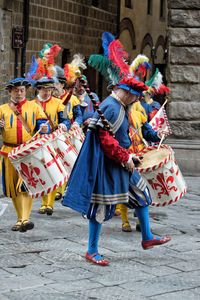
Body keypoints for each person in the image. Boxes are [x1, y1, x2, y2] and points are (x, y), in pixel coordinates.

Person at [62, 77, 171, 266]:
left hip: (121, 161)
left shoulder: (121, 106)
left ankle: (147, 237)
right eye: (135, 97)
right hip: (105, 164)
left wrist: (128, 156)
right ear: (128, 93)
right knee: (100, 208)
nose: (137, 101)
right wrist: (126, 158)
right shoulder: (111, 107)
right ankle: (92, 251)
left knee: (142, 194)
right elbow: (106, 141)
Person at [0, 77, 49, 232]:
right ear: (10, 92)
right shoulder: (2, 109)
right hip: (8, 152)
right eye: (16, 90)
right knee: (12, 188)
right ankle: (19, 218)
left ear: (26, 91)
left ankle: (25, 219)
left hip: (28, 152)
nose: (19, 93)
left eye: (22, 90)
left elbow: (44, 123)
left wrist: (44, 128)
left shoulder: (34, 107)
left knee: (25, 186)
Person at [33, 77, 71, 215]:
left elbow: (67, 120)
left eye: (50, 89)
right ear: (38, 89)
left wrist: (63, 125)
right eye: (44, 89)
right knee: (42, 172)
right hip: (37, 143)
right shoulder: (31, 104)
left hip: (53, 141)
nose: (48, 92)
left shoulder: (59, 103)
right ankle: (44, 202)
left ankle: (49, 204)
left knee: (52, 170)